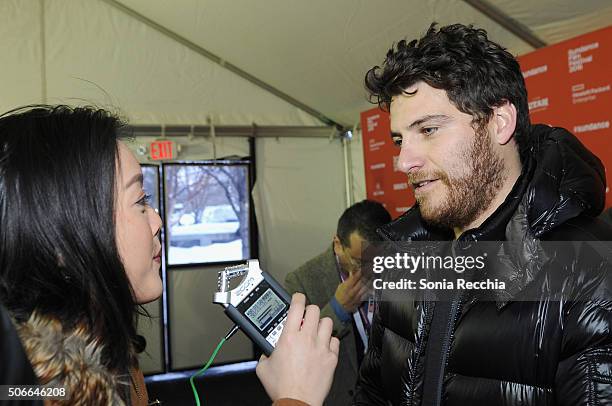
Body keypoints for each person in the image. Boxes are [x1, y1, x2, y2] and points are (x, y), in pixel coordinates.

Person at [0, 105, 338, 406]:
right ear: (63, 234)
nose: (158, 220)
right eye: (140, 201)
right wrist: (297, 396)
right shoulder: (42, 391)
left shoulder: (102, 357)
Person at [354, 23, 612, 405]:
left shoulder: (590, 274)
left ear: (499, 122)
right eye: (398, 140)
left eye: (427, 129)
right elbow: (373, 395)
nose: (403, 161)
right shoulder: (401, 257)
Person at [285, 200, 391, 405]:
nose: (370, 270)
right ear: (337, 245)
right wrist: (338, 309)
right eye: (359, 262)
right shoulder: (301, 281)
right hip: (343, 396)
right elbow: (294, 351)